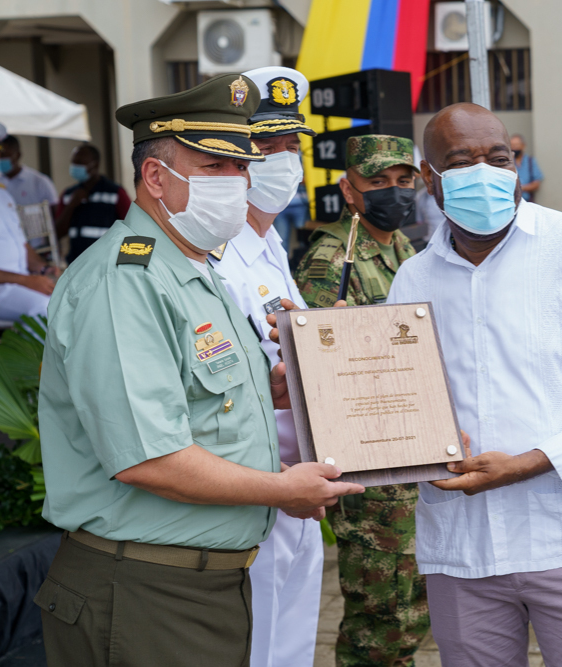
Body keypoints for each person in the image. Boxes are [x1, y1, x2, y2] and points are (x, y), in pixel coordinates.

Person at [35, 74, 364, 667]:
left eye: (242, 167)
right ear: (156, 178)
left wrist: (277, 393)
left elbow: (199, 402)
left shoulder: (193, 269)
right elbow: (148, 457)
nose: (238, 184)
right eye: (216, 166)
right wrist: (282, 489)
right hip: (143, 587)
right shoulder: (125, 281)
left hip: (201, 583)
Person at [388, 102, 562, 667]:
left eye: (499, 158)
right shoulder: (413, 278)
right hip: (462, 551)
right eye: (462, 162)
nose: (486, 173)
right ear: (430, 177)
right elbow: (400, 401)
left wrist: (531, 462)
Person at [204, 66, 326, 667]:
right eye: (264, 145)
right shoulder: (212, 256)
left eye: (290, 144)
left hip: (299, 485)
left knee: (292, 646)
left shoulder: (272, 245)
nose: (282, 159)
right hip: (250, 488)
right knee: (254, 647)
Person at [295, 135, 429, 667]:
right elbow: (324, 372)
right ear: (349, 191)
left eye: (403, 182)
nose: (393, 193)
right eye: (377, 183)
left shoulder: (403, 248)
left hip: (408, 447)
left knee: (409, 604)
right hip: (369, 460)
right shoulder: (333, 259)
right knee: (380, 614)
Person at [0, 121, 55, 321]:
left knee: (74, 301)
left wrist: (44, 268)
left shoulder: (2, 195)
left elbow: (21, 245)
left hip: (17, 284)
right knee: (43, 308)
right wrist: (25, 280)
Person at [55, 143, 131, 264]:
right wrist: (71, 206)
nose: (75, 167)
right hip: (77, 264)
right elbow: (57, 233)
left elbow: (131, 227)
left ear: (95, 164)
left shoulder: (115, 193)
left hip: (106, 264)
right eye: (74, 163)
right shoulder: (69, 195)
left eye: (80, 163)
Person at [0, 135, 59, 219]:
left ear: (18, 155)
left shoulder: (39, 182)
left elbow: (54, 214)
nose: (1, 159)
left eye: (5, 155)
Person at [511, 134, 543, 202]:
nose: (514, 148)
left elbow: (536, 183)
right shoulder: (508, 162)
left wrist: (521, 188)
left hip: (528, 202)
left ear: (523, 145)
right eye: (512, 145)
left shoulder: (530, 161)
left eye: (517, 145)